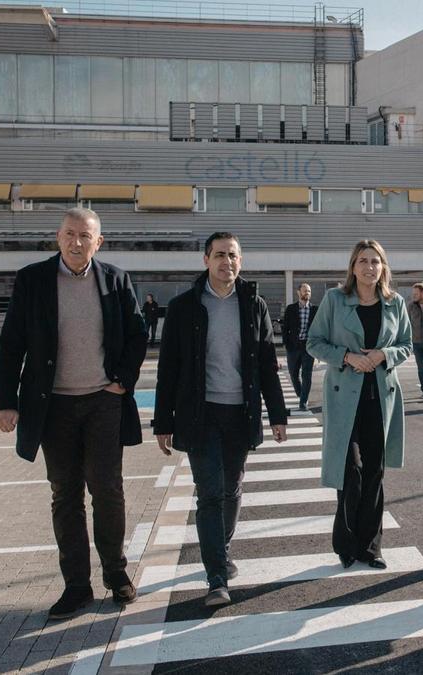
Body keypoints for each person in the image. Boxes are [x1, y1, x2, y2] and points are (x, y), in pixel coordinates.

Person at [0, 207, 147, 619]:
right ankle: (77, 586)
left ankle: (116, 573)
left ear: (99, 242)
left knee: (107, 489)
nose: (77, 242)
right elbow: (11, 343)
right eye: (70, 234)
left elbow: (138, 334)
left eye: (85, 236)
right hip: (53, 404)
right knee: (65, 494)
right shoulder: (33, 280)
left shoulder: (115, 279)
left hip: (103, 402)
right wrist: (5, 401)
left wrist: (123, 380)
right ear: (58, 237)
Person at [152, 232, 289, 607]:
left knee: (232, 489)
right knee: (210, 493)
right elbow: (168, 368)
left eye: (233, 255)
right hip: (200, 414)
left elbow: (267, 363)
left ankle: (222, 550)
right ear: (206, 260)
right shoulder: (183, 307)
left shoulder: (254, 305)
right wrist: (163, 422)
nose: (226, 262)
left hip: (240, 413)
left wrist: (278, 415)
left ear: (240, 261)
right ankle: (216, 578)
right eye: (219, 255)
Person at [307, 240, 413, 570]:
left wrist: (384, 354)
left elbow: (406, 344)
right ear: (353, 267)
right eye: (363, 261)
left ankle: (371, 547)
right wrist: (347, 357)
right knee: (350, 470)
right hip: (344, 398)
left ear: (383, 267)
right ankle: (346, 544)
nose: (369, 267)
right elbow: (314, 342)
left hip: (381, 397)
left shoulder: (395, 303)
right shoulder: (335, 300)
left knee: (374, 473)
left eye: (375, 261)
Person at [283, 283, 318, 410]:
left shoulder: (315, 310)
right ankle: (300, 394)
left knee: (306, 375)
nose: (307, 293)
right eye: (304, 291)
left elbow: (320, 329)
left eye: (309, 291)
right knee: (293, 374)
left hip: (308, 347)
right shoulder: (290, 309)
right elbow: (285, 328)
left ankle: (303, 401)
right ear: (298, 292)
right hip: (293, 347)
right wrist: (286, 344)